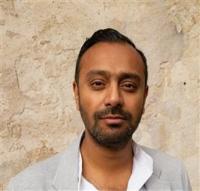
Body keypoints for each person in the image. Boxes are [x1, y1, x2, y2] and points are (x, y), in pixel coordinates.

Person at [7, 28, 191, 191]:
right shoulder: (26, 186)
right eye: (98, 83)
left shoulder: (174, 176)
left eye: (128, 85)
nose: (114, 98)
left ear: (145, 96)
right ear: (76, 93)